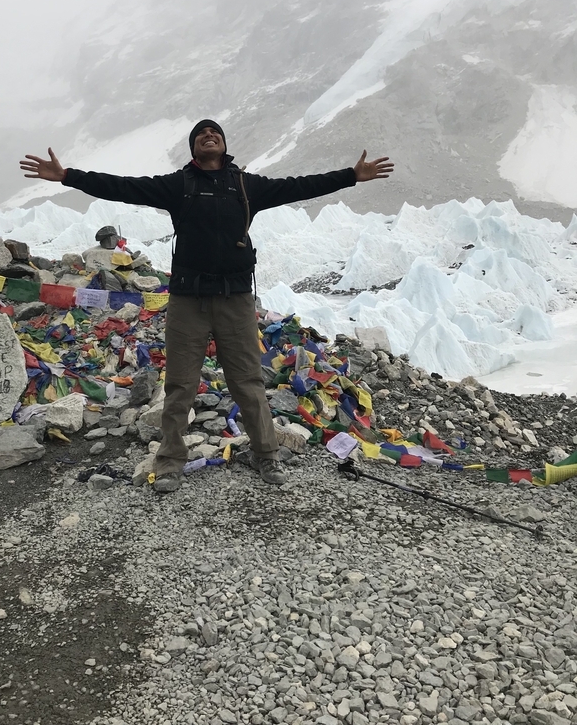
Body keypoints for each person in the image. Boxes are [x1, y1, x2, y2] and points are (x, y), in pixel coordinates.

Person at [20, 120, 394, 493]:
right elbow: (121, 186)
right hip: (188, 301)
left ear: (224, 144)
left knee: (247, 380)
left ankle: (266, 453)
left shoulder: (246, 185)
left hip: (235, 300)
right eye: (201, 134)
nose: (208, 136)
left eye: (214, 132)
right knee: (181, 383)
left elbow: (300, 186)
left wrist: (351, 175)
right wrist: (68, 175)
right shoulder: (177, 185)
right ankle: (169, 461)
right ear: (193, 148)